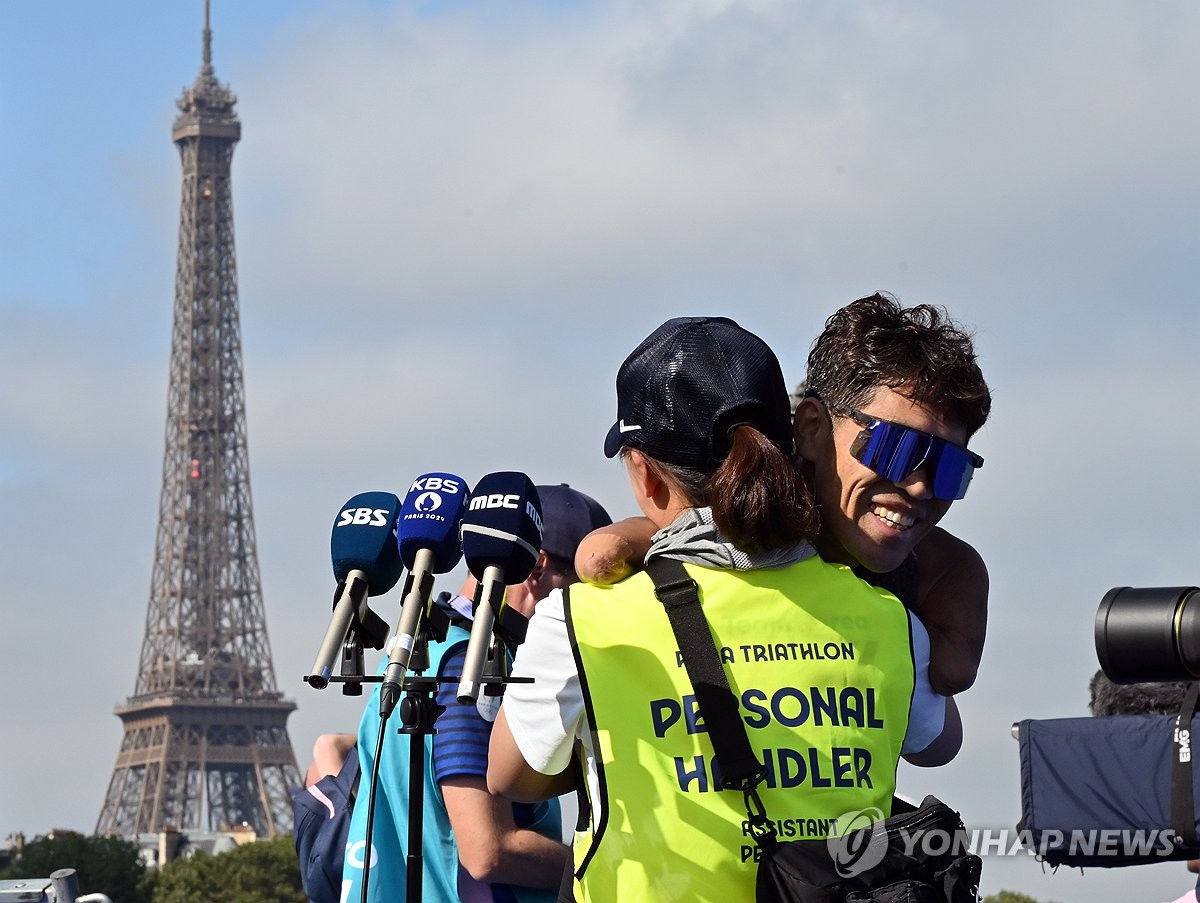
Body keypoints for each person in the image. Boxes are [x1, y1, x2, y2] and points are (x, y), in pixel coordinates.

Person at [488, 316, 959, 901]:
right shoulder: (890, 620)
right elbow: (939, 744)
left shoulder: (583, 619)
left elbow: (510, 776)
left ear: (644, 474)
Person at [574, 292, 992, 697]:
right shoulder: (745, 503)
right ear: (811, 429)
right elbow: (599, 555)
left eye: (949, 467)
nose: (919, 485)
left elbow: (947, 699)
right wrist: (635, 537)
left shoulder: (946, 570)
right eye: (896, 448)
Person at [293, 483, 613, 903]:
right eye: (585, 587)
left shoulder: (420, 652)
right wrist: (606, 860)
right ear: (536, 570)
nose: (591, 609)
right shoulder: (469, 666)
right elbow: (487, 851)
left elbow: (333, 754)